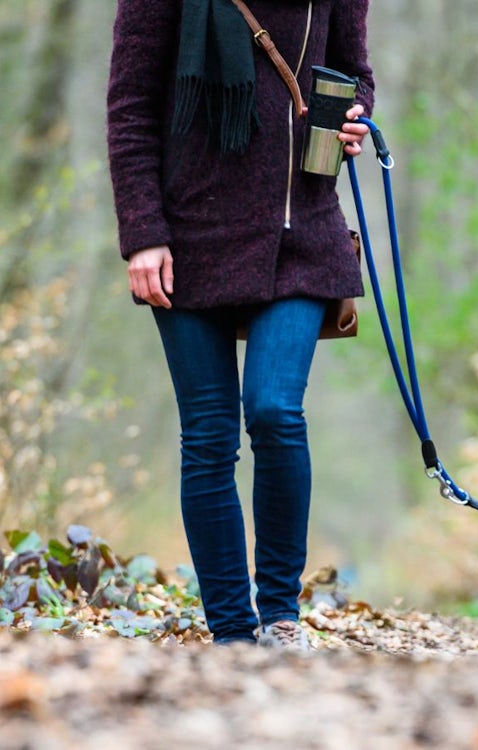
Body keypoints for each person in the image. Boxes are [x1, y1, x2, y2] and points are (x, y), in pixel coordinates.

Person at [106, 0, 375, 649]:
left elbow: (354, 74)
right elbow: (130, 107)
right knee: (208, 434)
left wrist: (354, 120)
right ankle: (232, 632)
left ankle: (280, 616)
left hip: (300, 234)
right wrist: (143, 233)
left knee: (276, 411)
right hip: (189, 237)